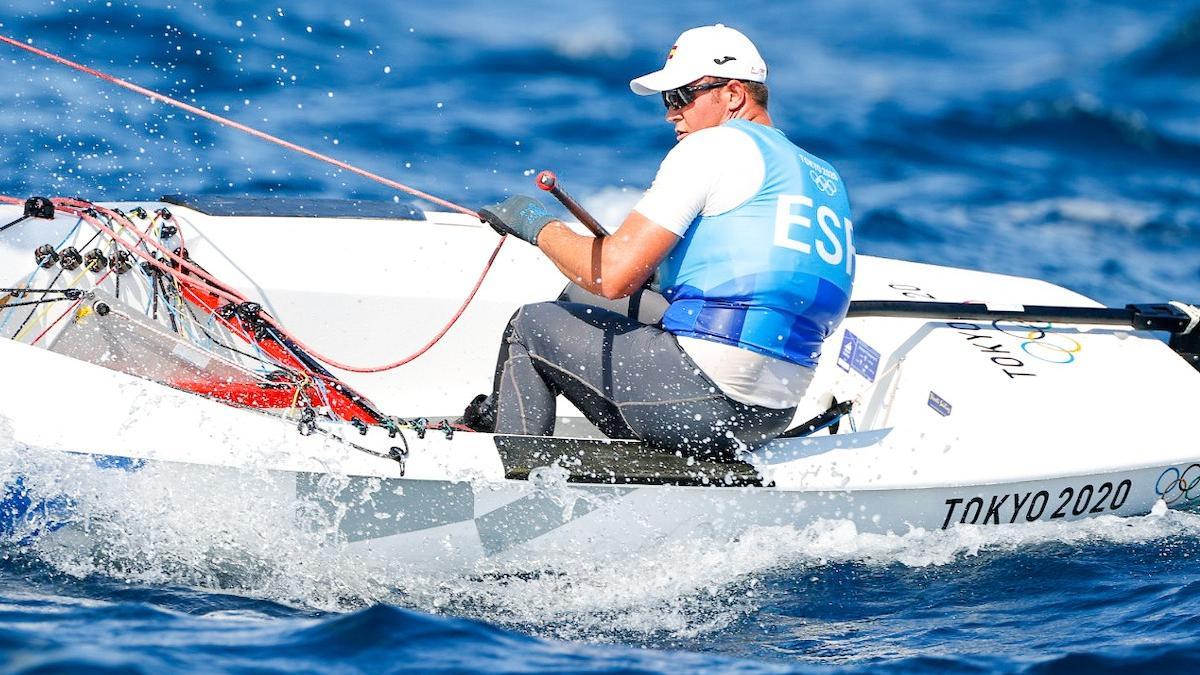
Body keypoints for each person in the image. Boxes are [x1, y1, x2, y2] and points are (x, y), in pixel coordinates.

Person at [469, 24, 855, 460]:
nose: (671, 113)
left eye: (681, 96)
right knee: (579, 296)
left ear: (732, 95)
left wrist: (539, 225)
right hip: (773, 413)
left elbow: (611, 275)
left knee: (532, 327)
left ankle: (518, 485)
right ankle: (517, 413)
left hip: (705, 405)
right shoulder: (822, 175)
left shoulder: (713, 147)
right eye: (666, 99)